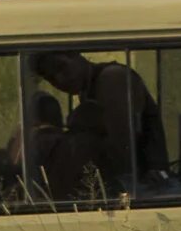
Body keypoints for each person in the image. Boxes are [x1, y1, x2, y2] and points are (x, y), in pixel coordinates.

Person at [34, 50, 166, 196]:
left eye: (61, 67)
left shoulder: (112, 78)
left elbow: (121, 148)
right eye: (51, 78)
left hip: (142, 189)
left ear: (77, 55)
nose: (60, 80)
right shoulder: (89, 90)